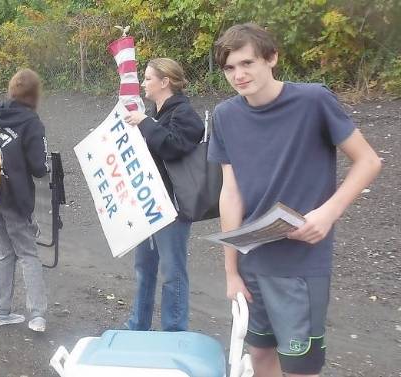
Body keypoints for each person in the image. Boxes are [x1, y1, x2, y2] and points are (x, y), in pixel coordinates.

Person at [208, 23, 381, 377]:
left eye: (247, 63)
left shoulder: (313, 100)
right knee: (259, 355)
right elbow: (231, 192)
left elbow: (368, 161)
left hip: (303, 263)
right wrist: (230, 271)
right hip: (252, 261)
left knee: (300, 368)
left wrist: (328, 213)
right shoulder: (225, 116)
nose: (238, 75)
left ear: (272, 58)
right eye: (229, 68)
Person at [123, 58, 205, 332]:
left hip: (172, 207)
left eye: (147, 78)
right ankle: (139, 325)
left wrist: (146, 123)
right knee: (144, 270)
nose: (143, 83)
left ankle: (173, 331)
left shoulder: (184, 114)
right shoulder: (155, 114)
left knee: (172, 274)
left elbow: (174, 147)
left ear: (165, 81)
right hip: (149, 205)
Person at [0, 68, 50, 332]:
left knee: (4, 252)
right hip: (16, 197)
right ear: (34, 94)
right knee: (28, 253)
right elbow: (38, 167)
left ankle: (0, 311)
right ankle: (37, 315)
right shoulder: (32, 122)